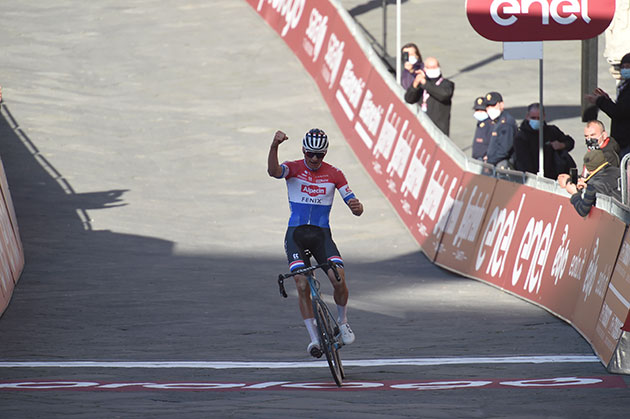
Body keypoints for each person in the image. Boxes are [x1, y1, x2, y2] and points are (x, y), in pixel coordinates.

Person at [267, 128, 364, 358]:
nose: (314, 159)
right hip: (296, 235)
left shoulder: (335, 173)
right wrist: (274, 146)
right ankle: (313, 339)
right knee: (301, 285)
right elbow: (273, 172)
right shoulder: (294, 167)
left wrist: (357, 208)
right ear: (303, 150)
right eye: (310, 153)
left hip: (321, 235)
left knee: (338, 279)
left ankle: (342, 322)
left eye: (319, 155)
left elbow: (352, 201)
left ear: (325, 154)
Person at [513, 103, 576, 179]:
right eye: (533, 118)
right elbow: (523, 163)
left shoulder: (551, 131)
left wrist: (561, 145)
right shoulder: (521, 137)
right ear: (527, 117)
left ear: (544, 117)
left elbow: (570, 142)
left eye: (539, 118)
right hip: (532, 177)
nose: (536, 121)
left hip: (554, 176)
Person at [585, 52, 630, 159]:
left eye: (628, 67)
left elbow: (620, 112)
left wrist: (600, 101)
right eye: (622, 67)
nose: (624, 70)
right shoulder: (625, 86)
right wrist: (606, 100)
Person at [558, 149, 621, 217]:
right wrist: (586, 185)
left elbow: (583, 210)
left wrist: (574, 193)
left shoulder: (593, 184)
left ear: (588, 168)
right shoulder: (619, 171)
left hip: (615, 218)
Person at [404, 56, 455, 136]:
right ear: (425, 68)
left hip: (438, 130)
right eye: (429, 67)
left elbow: (444, 94)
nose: (432, 69)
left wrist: (425, 83)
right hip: (421, 127)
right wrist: (415, 85)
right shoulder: (421, 83)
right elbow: (409, 99)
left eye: (434, 67)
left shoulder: (446, 84)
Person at [484, 91, 518, 169]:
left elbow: (504, 150)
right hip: (495, 162)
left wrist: (490, 160)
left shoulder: (506, 123)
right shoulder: (497, 121)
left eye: (493, 105)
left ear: (501, 104)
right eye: (488, 106)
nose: (490, 109)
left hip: (502, 164)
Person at [471, 96, 492, 161]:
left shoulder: (491, 124)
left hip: (484, 159)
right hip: (476, 158)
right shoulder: (480, 123)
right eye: (477, 110)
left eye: (482, 110)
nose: (479, 112)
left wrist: (488, 156)